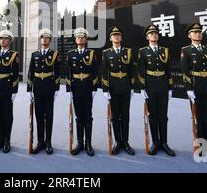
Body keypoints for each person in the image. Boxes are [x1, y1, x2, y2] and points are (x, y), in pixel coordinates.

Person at [181, 22, 207, 157]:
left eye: (199, 32)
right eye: (194, 32)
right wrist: (188, 89)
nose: (197, 34)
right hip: (195, 86)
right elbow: (185, 71)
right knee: (197, 117)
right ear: (189, 35)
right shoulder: (186, 50)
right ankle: (201, 146)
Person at [138, 24, 175, 156]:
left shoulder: (165, 51)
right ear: (147, 37)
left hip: (163, 85)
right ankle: (155, 142)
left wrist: (170, 87)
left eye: (155, 33)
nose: (154, 35)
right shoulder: (143, 51)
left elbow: (169, 70)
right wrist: (142, 88)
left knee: (163, 116)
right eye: (151, 33)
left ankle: (164, 143)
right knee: (152, 115)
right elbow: (141, 71)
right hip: (150, 85)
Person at [101, 26, 136, 155]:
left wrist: (132, 87)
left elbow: (132, 70)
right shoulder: (106, 53)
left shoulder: (128, 52)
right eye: (114, 35)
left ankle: (125, 142)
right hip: (113, 88)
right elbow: (104, 72)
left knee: (125, 116)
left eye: (118, 35)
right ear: (110, 38)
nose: (116, 37)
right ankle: (117, 142)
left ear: (121, 37)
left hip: (126, 87)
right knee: (115, 117)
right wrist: (105, 89)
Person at [27, 28, 60, 154]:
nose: (44, 39)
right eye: (42, 37)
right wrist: (29, 89)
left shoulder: (54, 54)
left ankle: (48, 142)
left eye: (47, 38)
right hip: (37, 88)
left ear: (50, 40)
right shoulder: (34, 54)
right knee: (39, 116)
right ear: (40, 40)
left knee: (49, 116)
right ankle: (40, 142)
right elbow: (31, 72)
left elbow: (57, 72)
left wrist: (56, 89)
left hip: (49, 87)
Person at [66, 27, 98, 156]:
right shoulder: (71, 54)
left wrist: (94, 88)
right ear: (75, 39)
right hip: (76, 88)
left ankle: (88, 143)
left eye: (82, 36)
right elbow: (68, 72)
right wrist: (69, 89)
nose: (80, 38)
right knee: (79, 117)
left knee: (88, 117)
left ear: (86, 39)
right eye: (78, 37)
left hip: (87, 87)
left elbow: (95, 71)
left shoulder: (91, 53)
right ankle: (79, 143)